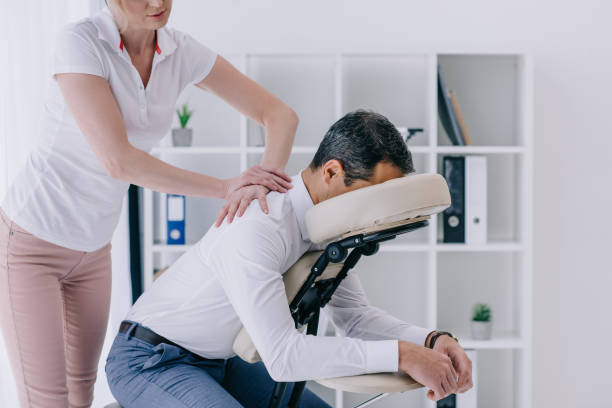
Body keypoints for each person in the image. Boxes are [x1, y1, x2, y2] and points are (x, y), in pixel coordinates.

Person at [0, 1, 298, 407]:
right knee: (48, 399)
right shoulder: (81, 43)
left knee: (81, 391)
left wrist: (260, 187)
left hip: (93, 249)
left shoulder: (180, 51)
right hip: (31, 242)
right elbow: (117, 160)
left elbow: (280, 115)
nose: (158, 3)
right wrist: (226, 187)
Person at [105, 110, 474, 408]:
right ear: (332, 172)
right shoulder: (258, 226)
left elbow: (355, 318)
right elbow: (283, 357)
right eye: (370, 196)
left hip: (219, 361)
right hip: (152, 360)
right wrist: (402, 355)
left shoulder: (328, 229)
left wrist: (431, 340)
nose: (373, 212)